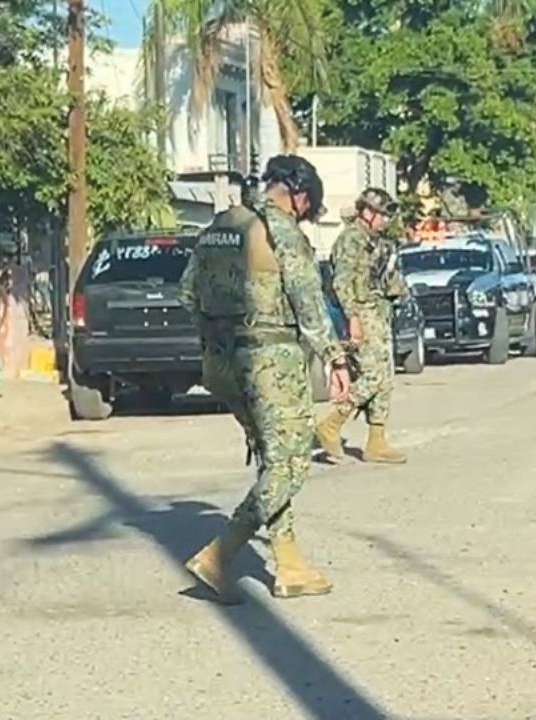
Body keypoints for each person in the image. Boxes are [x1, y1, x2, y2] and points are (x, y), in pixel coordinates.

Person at [179, 155, 352, 603]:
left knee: (271, 459)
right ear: (297, 195)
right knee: (291, 463)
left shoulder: (222, 225)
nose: (304, 213)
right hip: (270, 361)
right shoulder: (282, 232)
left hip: (222, 363)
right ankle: (219, 554)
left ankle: (290, 565)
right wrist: (336, 359)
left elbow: (186, 291)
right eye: (307, 204)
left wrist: (216, 340)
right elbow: (307, 300)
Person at [314, 188, 408, 465]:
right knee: (372, 376)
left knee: (386, 378)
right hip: (361, 313)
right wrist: (352, 318)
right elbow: (341, 282)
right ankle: (332, 424)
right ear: (367, 212)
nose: (386, 220)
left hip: (377, 312)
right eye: (382, 214)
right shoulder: (351, 241)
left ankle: (377, 441)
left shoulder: (374, 241)